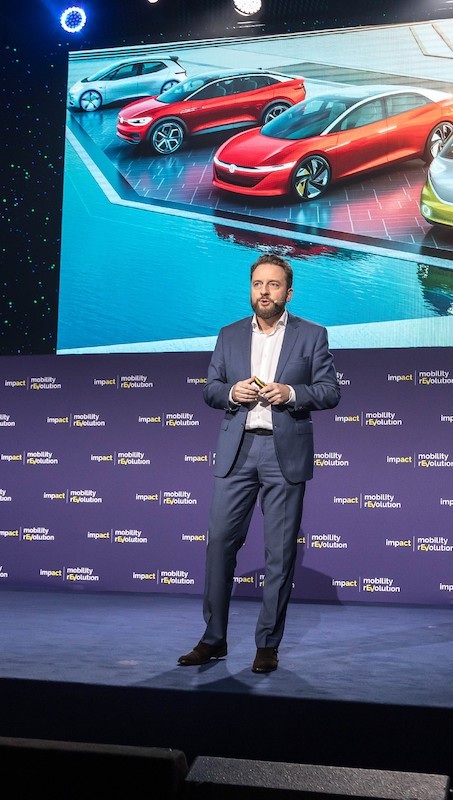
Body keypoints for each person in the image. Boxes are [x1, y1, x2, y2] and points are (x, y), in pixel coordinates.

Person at [178, 253, 340, 673]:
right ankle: (213, 639)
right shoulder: (229, 334)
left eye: (272, 285)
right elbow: (210, 390)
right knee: (219, 547)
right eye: (257, 284)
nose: (263, 292)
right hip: (238, 449)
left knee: (279, 554)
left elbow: (329, 391)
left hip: (283, 452)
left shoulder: (312, 335)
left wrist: (292, 394)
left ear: (288, 291)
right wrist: (232, 393)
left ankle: (267, 644)